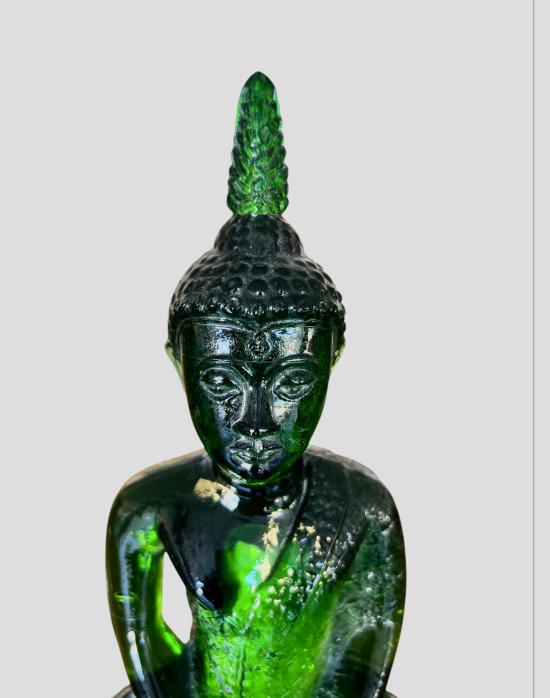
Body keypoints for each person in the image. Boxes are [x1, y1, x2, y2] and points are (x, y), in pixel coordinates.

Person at [107, 72, 405, 698]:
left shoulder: (363, 506)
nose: (257, 421)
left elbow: (361, 668)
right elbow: (152, 661)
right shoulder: (150, 504)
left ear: (333, 359)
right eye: (221, 382)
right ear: (177, 361)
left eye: (292, 382)